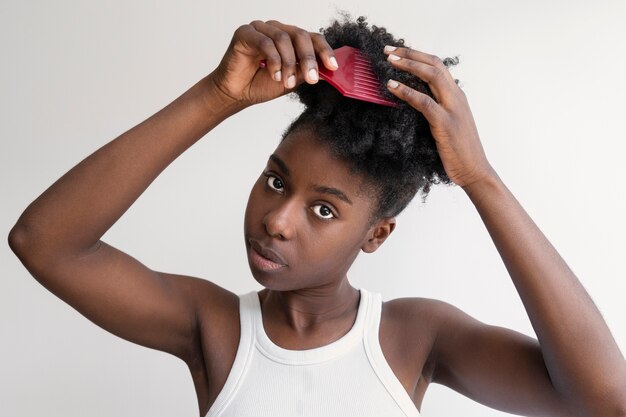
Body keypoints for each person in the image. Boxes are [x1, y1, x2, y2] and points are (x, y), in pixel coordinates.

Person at [8, 15, 626, 417]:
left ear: (377, 234)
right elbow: (43, 242)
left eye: (323, 209)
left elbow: (604, 399)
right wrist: (216, 97)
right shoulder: (214, 328)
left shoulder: (414, 338)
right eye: (276, 180)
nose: (277, 219)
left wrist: (481, 179)